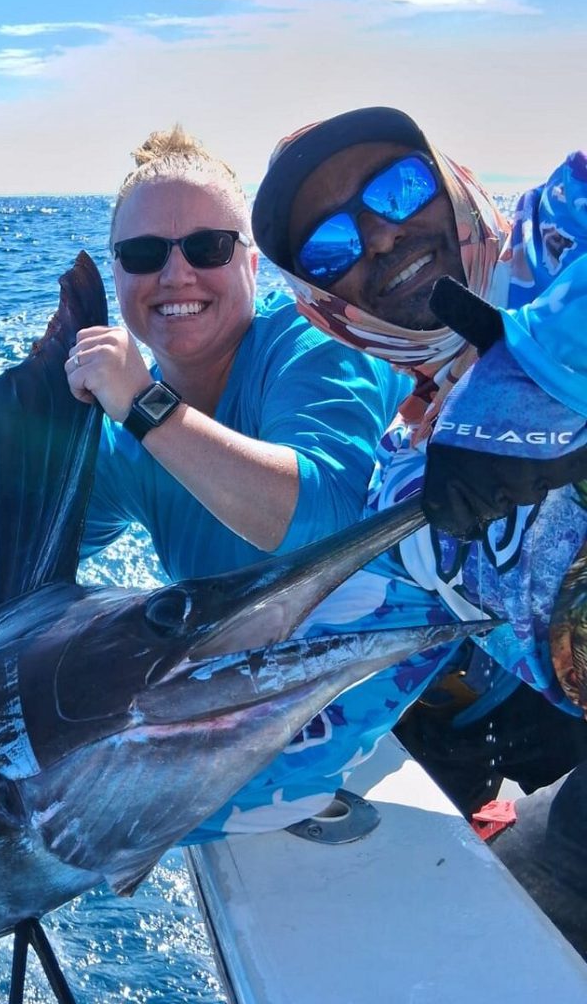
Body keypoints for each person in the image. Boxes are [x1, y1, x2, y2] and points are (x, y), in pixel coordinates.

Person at [242, 105, 587, 952]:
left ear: (453, 181)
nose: (382, 238)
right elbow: (337, 698)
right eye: (330, 247)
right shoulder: (403, 483)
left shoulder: (557, 231)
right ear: (325, 304)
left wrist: (541, 366)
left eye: (399, 189)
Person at [66, 125, 408, 588]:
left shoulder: (315, 339)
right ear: (117, 273)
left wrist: (146, 405)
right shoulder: (127, 440)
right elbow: (25, 557)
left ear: (251, 265)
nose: (176, 275)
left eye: (209, 247)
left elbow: (328, 522)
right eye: (144, 253)